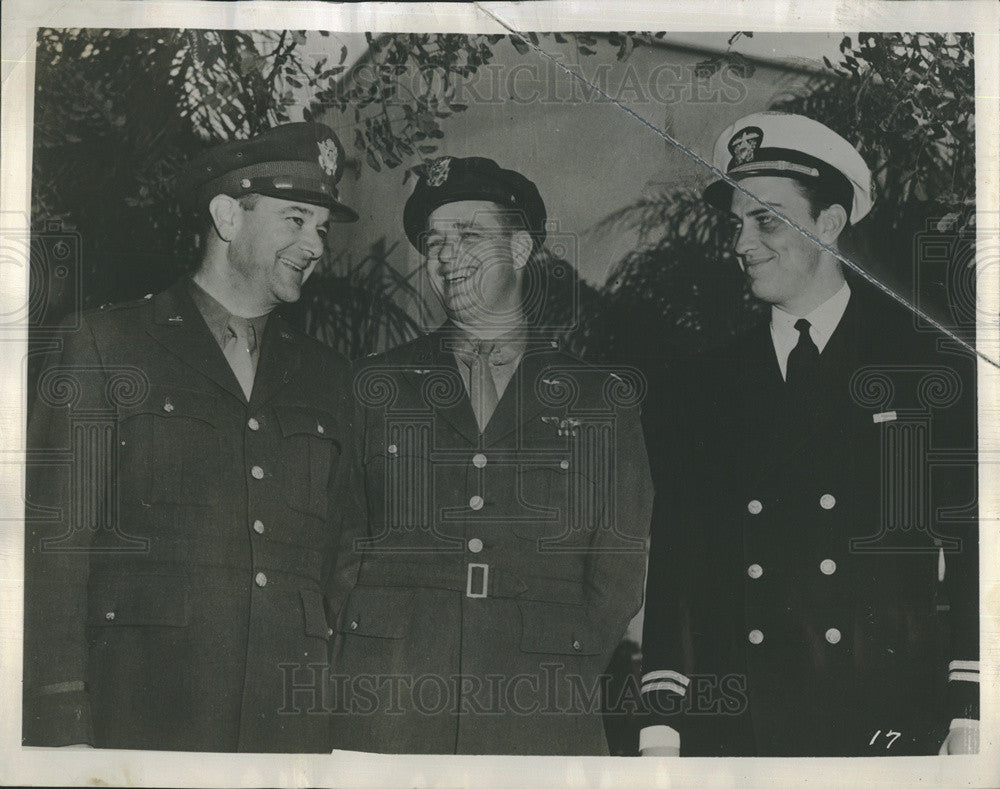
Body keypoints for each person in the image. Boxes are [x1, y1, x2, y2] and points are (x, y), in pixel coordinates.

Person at [639, 112, 979, 757]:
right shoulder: (700, 383)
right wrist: (662, 724)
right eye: (735, 223)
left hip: (887, 716)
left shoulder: (923, 367)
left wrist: (970, 708)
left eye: (766, 219)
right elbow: (680, 559)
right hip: (741, 720)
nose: (742, 242)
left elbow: (971, 549)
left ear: (829, 224)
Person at [23, 122, 362, 752]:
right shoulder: (106, 345)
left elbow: (341, 557)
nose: (316, 244)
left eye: (321, 228)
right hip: (145, 708)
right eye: (296, 219)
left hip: (286, 717)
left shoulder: (329, 376)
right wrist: (58, 711)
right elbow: (54, 548)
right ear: (229, 216)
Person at [330, 156, 653, 755]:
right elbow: (339, 549)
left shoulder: (600, 400)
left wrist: (562, 662)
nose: (446, 256)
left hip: (539, 708)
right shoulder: (372, 387)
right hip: (390, 703)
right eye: (434, 242)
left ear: (522, 248)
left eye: (469, 236)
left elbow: (616, 575)